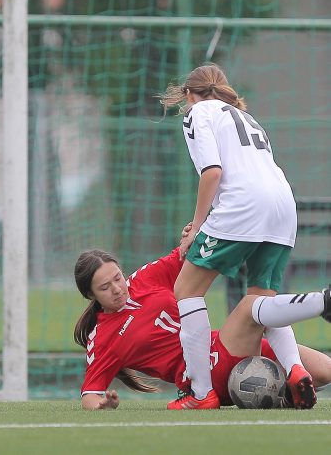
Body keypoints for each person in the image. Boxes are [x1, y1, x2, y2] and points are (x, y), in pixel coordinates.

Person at [158, 63, 312, 409]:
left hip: (245, 204)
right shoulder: (247, 117)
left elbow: (212, 173)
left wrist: (196, 228)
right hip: (284, 205)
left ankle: (200, 393)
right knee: (260, 303)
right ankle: (296, 370)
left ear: (188, 94)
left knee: (186, 289)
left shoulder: (198, 112)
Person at [74, 247, 331, 410]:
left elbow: (187, 255)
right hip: (204, 373)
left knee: (324, 371)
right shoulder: (103, 338)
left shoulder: (143, 279)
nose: (117, 288)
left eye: (117, 277)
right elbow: (90, 394)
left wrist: (194, 233)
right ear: (90, 295)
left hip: (224, 346)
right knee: (253, 305)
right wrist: (101, 405)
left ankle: (282, 392)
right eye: (105, 287)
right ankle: (324, 301)